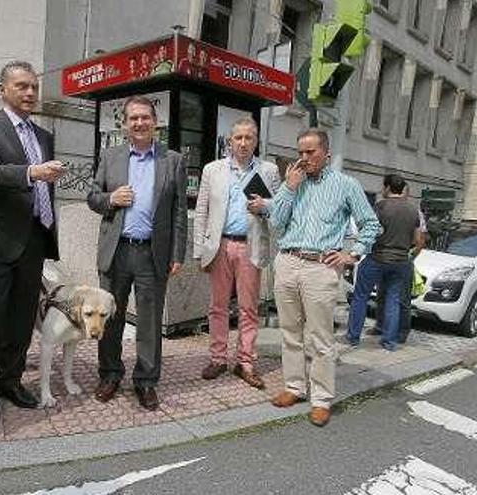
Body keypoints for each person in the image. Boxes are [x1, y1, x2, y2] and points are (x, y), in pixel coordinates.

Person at [0, 61, 64, 423]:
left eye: (34, 86)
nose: (30, 93)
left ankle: (10, 380)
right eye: (21, 86)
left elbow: (45, 188)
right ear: (2, 89)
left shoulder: (43, 135)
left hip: (34, 237)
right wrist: (32, 172)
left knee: (22, 317)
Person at [268, 129, 380, 427]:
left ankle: (320, 399)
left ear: (326, 154)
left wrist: (352, 254)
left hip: (320, 266)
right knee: (290, 332)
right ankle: (294, 387)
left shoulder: (346, 185)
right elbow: (276, 223)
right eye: (300, 153)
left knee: (320, 338)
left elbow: (370, 224)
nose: (304, 159)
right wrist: (289, 189)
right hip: (288, 261)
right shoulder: (293, 182)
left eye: (310, 153)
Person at [87, 96, 187, 411]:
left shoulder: (172, 160)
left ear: (155, 122)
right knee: (109, 318)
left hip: (151, 254)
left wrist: (178, 253)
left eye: (145, 117)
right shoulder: (110, 156)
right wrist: (111, 198)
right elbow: (92, 197)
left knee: (149, 322)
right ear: (124, 124)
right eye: (133, 118)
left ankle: (145, 381)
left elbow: (179, 212)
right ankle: (110, 375)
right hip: (115, 251)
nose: (139, 123)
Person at [193, 117, 280, 389]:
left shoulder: (269, 170)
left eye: (249, 138)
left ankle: (245, 361)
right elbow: (202, 212)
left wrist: (265, 206)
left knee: (248, 308)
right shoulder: (212, 170)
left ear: (256, 141)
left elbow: (281, 210)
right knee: (217, 306)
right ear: (229, 141)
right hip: (219, 246)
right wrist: (199, 250)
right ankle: (218, 358)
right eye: (238, 138)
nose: (243, 143)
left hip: (250, 246)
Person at [344, 174, 421, 352]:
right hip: (401, 261)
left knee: (360, 296)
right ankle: (389, 342)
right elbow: (417, 239)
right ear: (402, 189)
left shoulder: (380, 207)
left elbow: (370, 230)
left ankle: (353, 337)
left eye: (383, 187)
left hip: (377, 258)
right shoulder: (413, 210)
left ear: (387, 188)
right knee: (393, 300)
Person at [366, 198, 426, 343]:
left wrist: (411, 256)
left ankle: (400, 331)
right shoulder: (412, 212)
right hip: (399, 258)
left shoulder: (411, 212)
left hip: (395, 258)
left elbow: (419, 240)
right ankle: (387, 328)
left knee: (398, 298)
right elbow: (420, 240)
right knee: (386, 295)